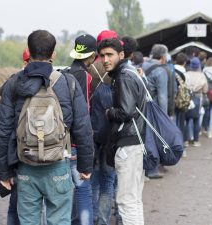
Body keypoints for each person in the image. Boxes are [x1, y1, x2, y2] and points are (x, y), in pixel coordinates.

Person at [0, 30, 94, 225]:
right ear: (53, 54)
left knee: (28, 220)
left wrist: (3, 172)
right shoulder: (67, 83)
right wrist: (85, 165)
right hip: (58, 165)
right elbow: (83, 127)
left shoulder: (14, 84)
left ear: (28, 52)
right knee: (59, 220)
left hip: (25, 166)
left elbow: (2, 130)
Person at [98, 37, 147, 225]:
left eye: (109, 55)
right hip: (135, 142)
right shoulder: (132, 72)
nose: (105, 60)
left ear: (121, 54)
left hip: (127, 143)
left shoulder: (123, 76)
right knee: (134, 200)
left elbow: (126, 111)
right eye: (102, 56)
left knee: (126, 201)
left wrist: (110, 112)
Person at [90, 29, 121, 225]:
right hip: (113, 133)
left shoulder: (90, 68)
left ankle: (91, 218)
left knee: (91, 180)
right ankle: (105, 219)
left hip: (92, 132)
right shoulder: (119, 69)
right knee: (109, 180)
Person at [67, 34, 97, 225]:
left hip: (64, 141)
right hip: (77, 143)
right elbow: (83, 111)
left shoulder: (66, 73)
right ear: (92, 55)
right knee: (83, 189)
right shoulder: (84, 76)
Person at [141, 44, 170, 179]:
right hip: (153, 109)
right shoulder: (161, 71)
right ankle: (152, 170)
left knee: (144, 137)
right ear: (163, 56)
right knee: (152, 138)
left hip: (140, 107)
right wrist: (163, 117)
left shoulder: (143, 65)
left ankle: (144, 168)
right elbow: (162, 96)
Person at [185, 57, 208, 147]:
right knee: (196, 120)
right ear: (199, 65)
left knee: (186, 120)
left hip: (187, 98)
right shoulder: (202, 76)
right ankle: (196, 141)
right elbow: (205, 89)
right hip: (198, 98)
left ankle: (186, 140)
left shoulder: (186, 74)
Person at [173, 53, 189, 157]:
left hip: (173, 102)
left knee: (173, 124)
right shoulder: (184, 73)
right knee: (181, 124)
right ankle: (181, 148)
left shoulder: (171, 70)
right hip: (182, 102)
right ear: (184, 62)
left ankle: (174, 147)